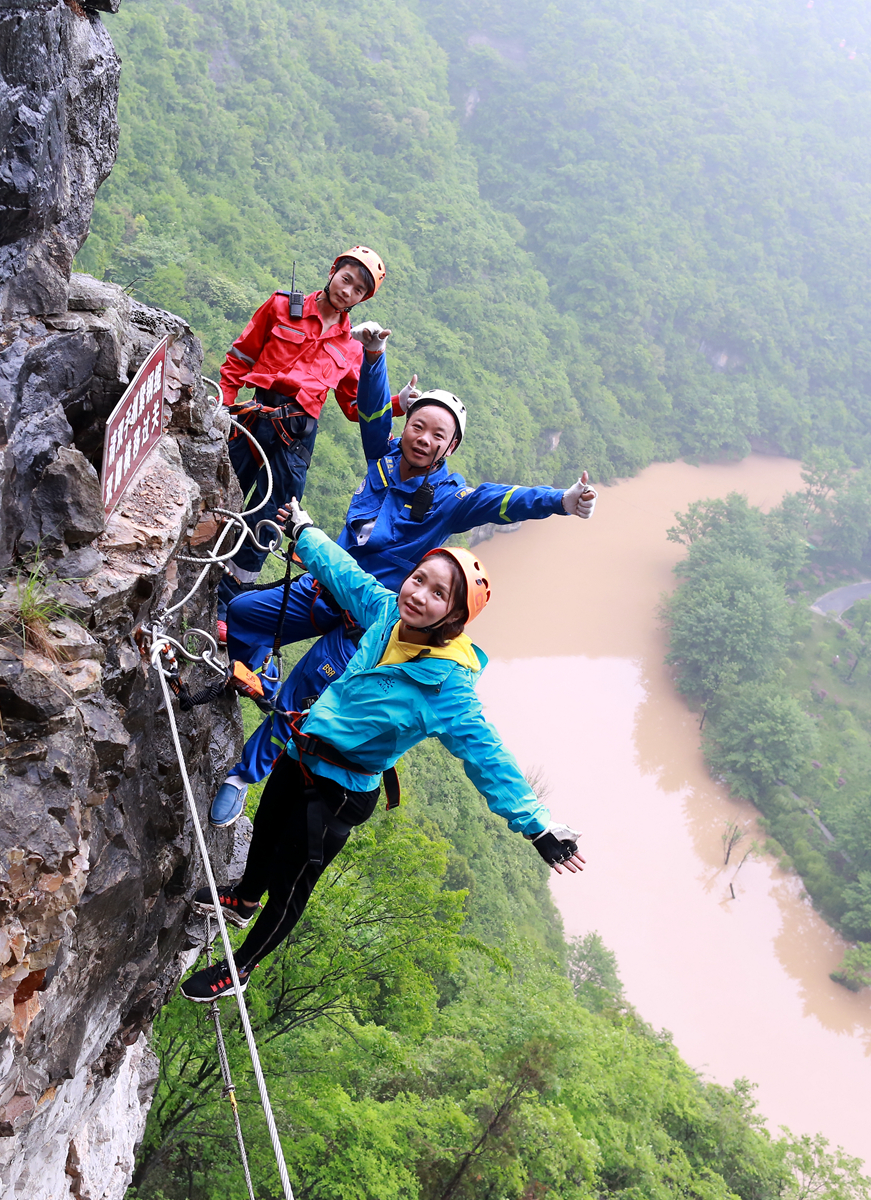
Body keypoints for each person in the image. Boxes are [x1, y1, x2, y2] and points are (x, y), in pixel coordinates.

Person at [178, 504, 587, 1003]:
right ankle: (241, 899)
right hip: (301, 753)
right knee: (264, 833)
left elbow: (489, 759)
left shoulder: (448, 688)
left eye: (439, 594)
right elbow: (344, 574)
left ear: (454, 618)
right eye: (419, 579)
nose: (419, 594)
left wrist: (537, 826)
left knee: (289, 888)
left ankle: (241, 967)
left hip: (338, 795)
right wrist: (305, 532)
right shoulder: (388, 612)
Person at [208, 324, 598, 825]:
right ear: (407, 426)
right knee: (241, 615)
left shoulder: (450, 500)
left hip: (368, 621)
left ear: (449, 447)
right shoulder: (384, 460)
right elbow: (371, 414)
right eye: (419, 425)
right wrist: (374, 356)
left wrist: (561, 501)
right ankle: (261, 668)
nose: (424, 438)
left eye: (439, 434)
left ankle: (242, 775)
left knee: (302, 697)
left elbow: (501, 502)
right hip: (326, 586)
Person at [216, 247, 389, 629]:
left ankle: (226, 603)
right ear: (332, 272)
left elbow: (353, 406)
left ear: (362, 299)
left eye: (359, 290)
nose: (348, 292)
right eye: (346, 279)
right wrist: (221, 405)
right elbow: (240, 357)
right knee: (222, 491)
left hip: (296, 438)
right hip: (254, 416)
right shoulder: (280, 307)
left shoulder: (353, 345)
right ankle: (195, 556)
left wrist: (400, 402)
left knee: (270, 520)